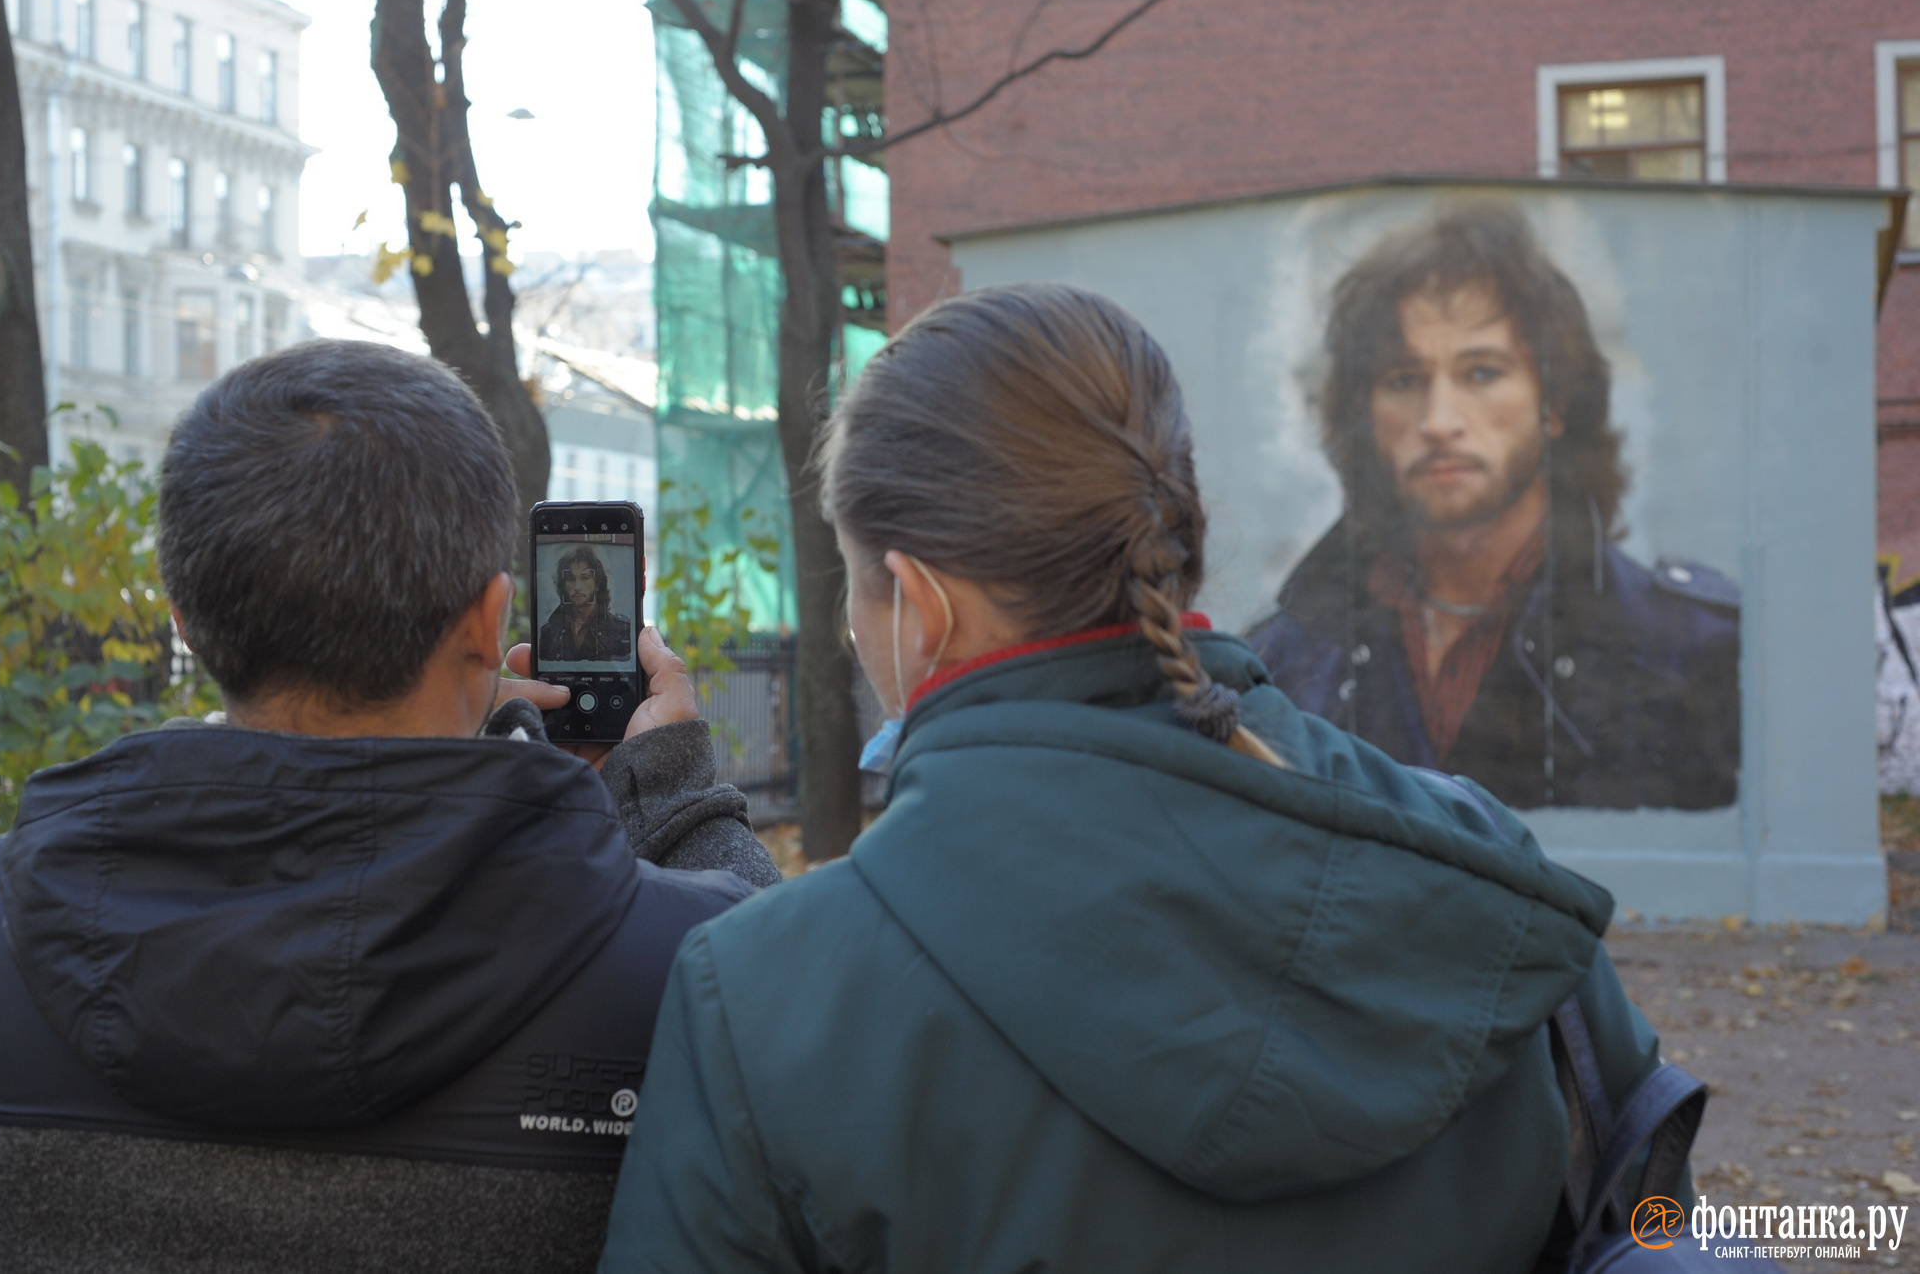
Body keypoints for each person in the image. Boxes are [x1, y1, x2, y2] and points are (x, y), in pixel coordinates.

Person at [598, 284, 1674, 1271]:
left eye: (851, 583)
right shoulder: (1476, 873)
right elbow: (1646, 1226)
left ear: (919, 605)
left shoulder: (762, 997)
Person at [0, 340, 779, 1272]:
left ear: (182, 611)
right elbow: (796, 1038)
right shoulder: (679, 967)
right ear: (493, 623)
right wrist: (674, 791)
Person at [1248, 202, 1739, 810]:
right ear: (1364, 417)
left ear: (1554, 404)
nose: (1439, 422)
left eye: (1481, 372)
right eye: (1403, 379)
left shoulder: (1693, 652)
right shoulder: (1280, 664)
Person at [540, 543, 634, 661]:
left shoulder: (622, 630)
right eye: (570, 579)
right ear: (563, 585)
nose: (577, 586)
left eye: (584, 578)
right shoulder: (548, 633)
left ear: (597, 583)